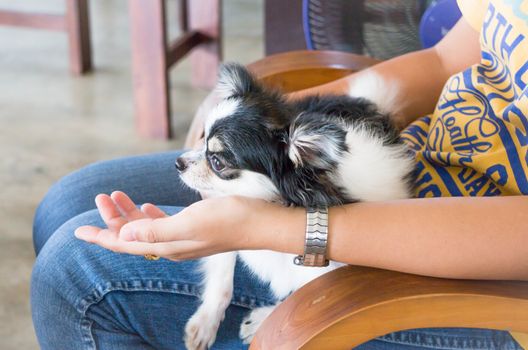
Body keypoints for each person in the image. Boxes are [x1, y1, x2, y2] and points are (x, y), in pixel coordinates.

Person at [31, 0, 528, 349]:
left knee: (77, 275)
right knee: (69, 200)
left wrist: (270, 228)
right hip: (422, 155)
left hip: (488, 279)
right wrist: (265, 122)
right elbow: (449, 57)